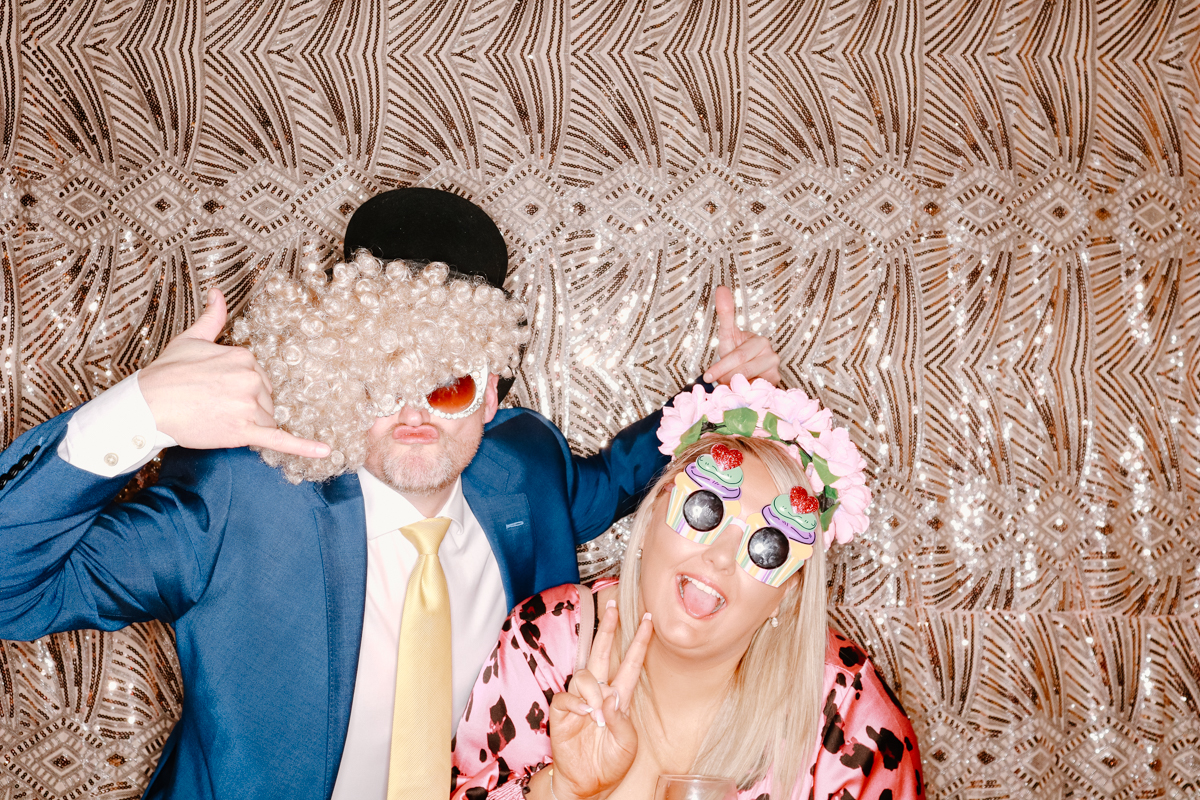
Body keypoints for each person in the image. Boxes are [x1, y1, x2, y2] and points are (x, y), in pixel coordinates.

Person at [0, 189, 781, 800]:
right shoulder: (240, 499)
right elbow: (13, 590)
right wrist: (140, 412)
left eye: (444, 383)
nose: (412, 410)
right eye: (379, 374)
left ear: (491, 395)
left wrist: (718, 400)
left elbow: (611, 482)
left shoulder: (525, 467)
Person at [451, 377, 921, 800]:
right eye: (703, 511)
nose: (719, 556)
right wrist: (561, 791)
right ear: (653, 513)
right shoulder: (548, 644)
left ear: (789, 595)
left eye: (769, 548)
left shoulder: (844, 712)